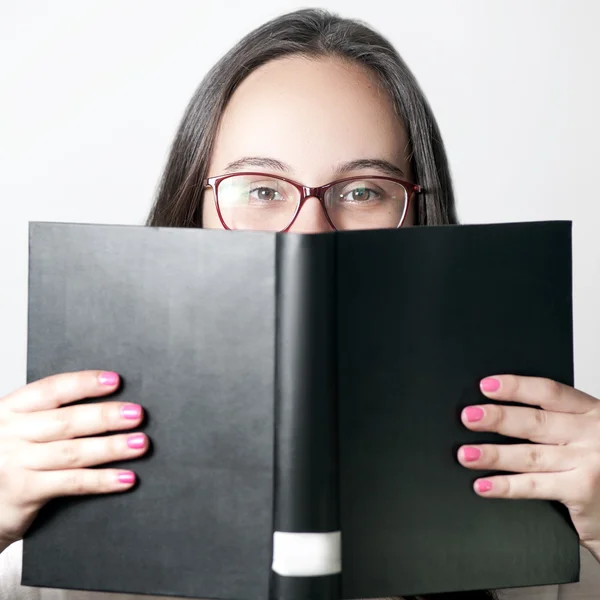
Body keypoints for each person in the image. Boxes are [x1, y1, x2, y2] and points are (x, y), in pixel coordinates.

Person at [1, 8, 599, 600]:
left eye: (363, 190)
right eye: (260, 188)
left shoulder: (538, 555)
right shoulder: (61, 558)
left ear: (420, 217)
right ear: (193, 209)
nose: (307, 235)